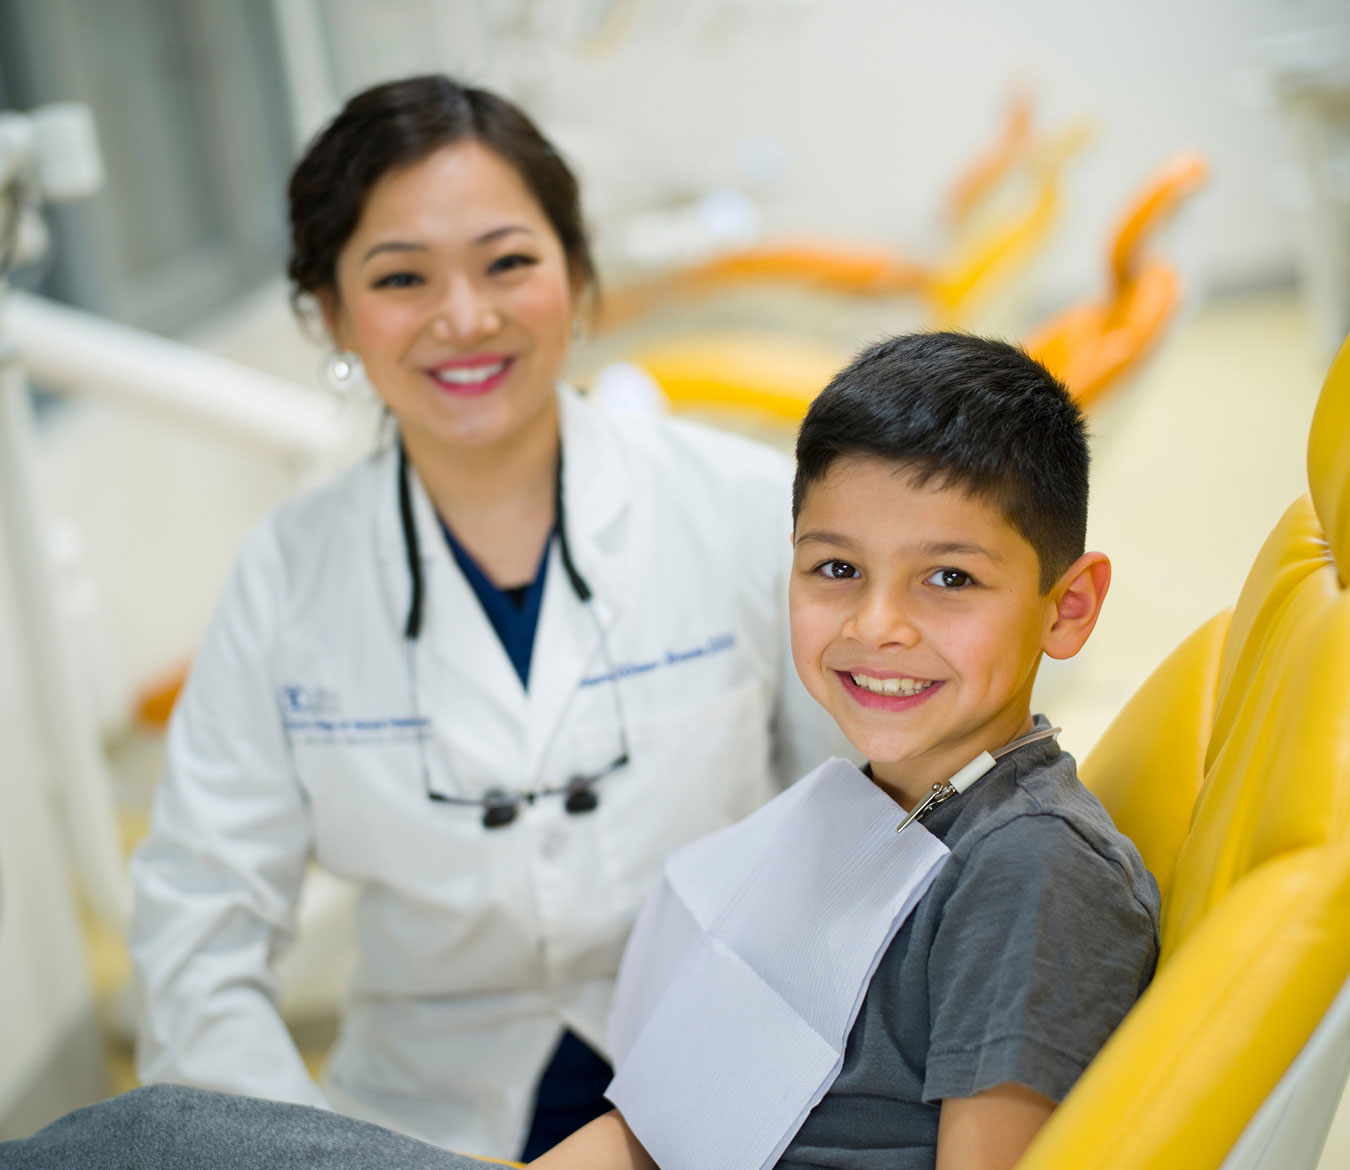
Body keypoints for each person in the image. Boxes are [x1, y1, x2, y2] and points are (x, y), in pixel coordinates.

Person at [7, 332, 1158, 1170]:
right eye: (835, 568)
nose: (876, 627)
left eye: (949, 578)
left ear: (1068, 607)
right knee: (143, 1139)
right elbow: (655, 1134)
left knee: (136, 1143)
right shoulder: (877, 805)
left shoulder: (1028, 869)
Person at [125, 74, 841, 1163]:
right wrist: (310, 1155)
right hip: (417, 1118)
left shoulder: (742, 508)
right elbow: (197, 927)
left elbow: (861, 840)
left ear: (576, 273)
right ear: (332, 315)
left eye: (508, 262)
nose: (466, 318)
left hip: (737, 1075)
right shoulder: (290, 571)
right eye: (401, 277)